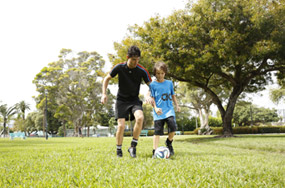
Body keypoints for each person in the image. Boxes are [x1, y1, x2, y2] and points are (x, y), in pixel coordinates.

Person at [101, 45, 153, 158]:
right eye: (133, 59)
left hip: (134, 100)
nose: (135, 62)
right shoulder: (119, 67)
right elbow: (106, 78)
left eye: (137, 60)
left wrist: (149, 95)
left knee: (140, 118)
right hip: (121, 101)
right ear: (127, 57)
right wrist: (104, 94)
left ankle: (133, 146)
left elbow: (152, 86)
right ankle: (119, 150)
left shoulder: (142, 71)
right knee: (121, 126)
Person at [149, 61, 181, 158]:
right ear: (155, 73)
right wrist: (155, 108)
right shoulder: (153, 85)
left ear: (165, 73)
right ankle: (155, 151)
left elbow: (173, 95)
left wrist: (177, 105)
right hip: (158, 112)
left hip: (169, 110)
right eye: (158, 73)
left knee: (173, 127)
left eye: (162, 73)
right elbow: (152, 98)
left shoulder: (169, 83)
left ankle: (169, 142)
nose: (160, 75)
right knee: (157, 131)